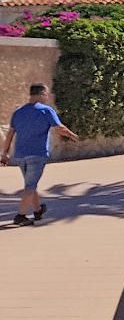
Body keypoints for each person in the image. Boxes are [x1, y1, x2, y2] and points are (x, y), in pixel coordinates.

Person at [2, 83, 81, 226]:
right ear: (42, 94)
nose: (47, 97)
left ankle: (38, 210)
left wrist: (5, 153)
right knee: (30, 186)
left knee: (30, 184)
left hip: (20, 155)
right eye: (47, 94)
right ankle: (20, 216)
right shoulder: (46, 110)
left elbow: (10, 133)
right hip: (37, 154)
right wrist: (72, 135)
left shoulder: (18, 112)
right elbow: (59, 128)